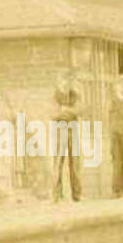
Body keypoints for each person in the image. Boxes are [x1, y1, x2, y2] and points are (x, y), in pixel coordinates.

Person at [51, 68, 83, 202]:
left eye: (67, 80)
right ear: (58, 82)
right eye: (62, 80)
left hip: (73, 128)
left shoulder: (74, 95)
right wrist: (69, 111)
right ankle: (56, 194)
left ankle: (77, 194)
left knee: (75, 162)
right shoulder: (54, 96)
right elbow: (53, 114)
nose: (65, 83)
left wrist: (64, 110)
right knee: (58, 162)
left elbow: (80, 110)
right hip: (60, 129)